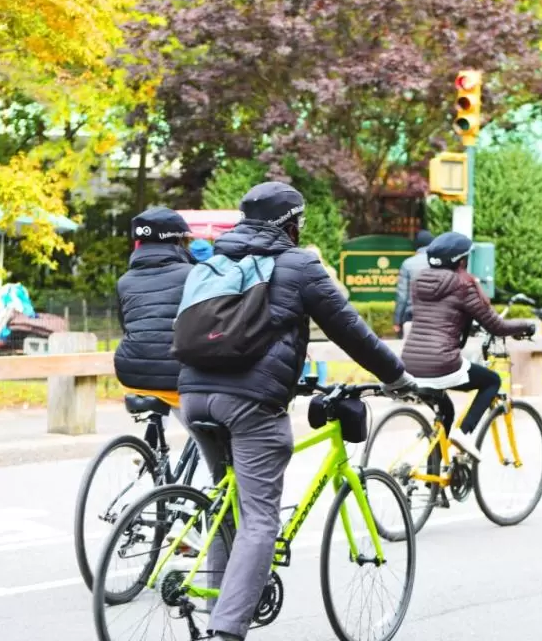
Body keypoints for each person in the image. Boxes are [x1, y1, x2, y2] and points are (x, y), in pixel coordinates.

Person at [177, 182, 414, 641]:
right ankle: (225, 632)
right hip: (250, 404)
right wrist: (397, 376)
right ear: (290, 223)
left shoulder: (214, 261)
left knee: (226, 508)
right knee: (261, 518)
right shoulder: (299, 264)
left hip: (194, 396)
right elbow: (350, 330)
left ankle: (214, 608)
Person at [401, 231, 534, 460]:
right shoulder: (463, 285)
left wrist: (464, 324)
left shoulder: (418, 281)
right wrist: (526, 325)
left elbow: (440, 315)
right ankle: (465, 433)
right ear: (462, 261)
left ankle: (435, 479)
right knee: (492, 381)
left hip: (410, 363)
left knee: (446, 412)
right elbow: (496, 326)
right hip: (442, 363)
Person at [114, 207, 195, 393]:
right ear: (179, 240)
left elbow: (125, 326)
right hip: (181, 373)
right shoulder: (193, 274)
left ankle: (155, 422)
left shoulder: (124, 281)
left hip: (130, 371)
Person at [301, 244, 349, 386]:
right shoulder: (329, 272)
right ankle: (321, 385)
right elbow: (344, 294)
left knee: (306, 356)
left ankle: (306, 384)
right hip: (324, 322)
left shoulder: (301, 272)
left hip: (308, 324)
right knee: (321, 358)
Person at [393, 230, 433, 338]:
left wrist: (397, 321)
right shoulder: (438, 262)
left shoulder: (407, 264)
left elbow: (402, 296)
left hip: (412, 315)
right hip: (435, 315)